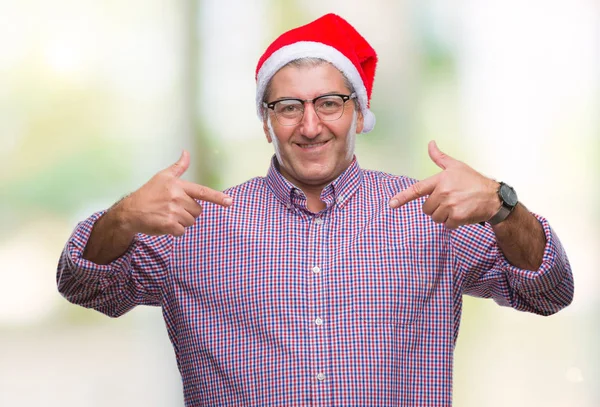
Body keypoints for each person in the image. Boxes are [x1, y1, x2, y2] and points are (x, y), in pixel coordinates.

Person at [57, 13, 574, 406]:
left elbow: (549, 292)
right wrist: (121, 217)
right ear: (266, 121)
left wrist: (503, 207)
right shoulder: (193, 222)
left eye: (328, 102)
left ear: (358, 113)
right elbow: (83, 285)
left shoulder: (431, 213)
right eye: (288, 107)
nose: (309, 125)